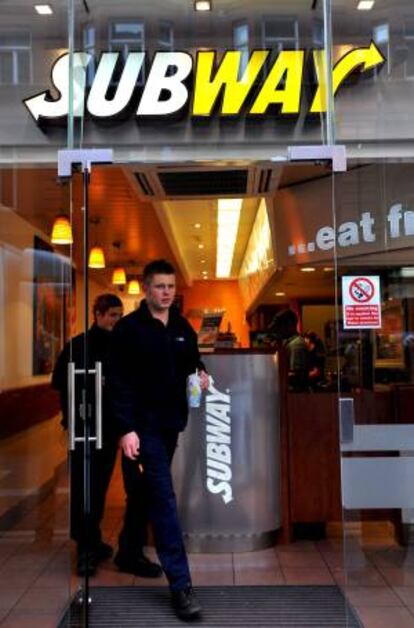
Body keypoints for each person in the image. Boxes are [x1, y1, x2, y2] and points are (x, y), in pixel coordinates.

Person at [109, 259, 209, 620]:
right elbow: (117, 381)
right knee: (164, 498)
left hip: (170, 425)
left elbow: (193, 365)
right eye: (159, 286)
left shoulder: (182, 327)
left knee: (144, 491)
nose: (166, 292)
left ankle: (128, 551)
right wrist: (125, 429)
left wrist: (202, 376)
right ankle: (181, 586)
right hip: (141, 427)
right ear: (147, 289)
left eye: (170, 287)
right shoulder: (128, 329)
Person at [52, 293, 161, 579]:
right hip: (89, 429)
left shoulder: (122, 345)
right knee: (89, 488)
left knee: (132, 487)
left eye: (118, 314)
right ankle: (86, 547)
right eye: (111, 314)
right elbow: (61, 384)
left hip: (120, 427)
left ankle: (114, 546)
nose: (116, 320)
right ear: (97, 314)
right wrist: (73, 419)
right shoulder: (78, 346)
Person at [269, 308, 309, 392]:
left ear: (290, 325)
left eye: (280, 327)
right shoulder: (290, 343)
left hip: (295, 397)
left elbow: (296, 376)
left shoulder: (296, 345)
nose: (278, 331)